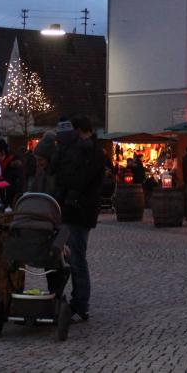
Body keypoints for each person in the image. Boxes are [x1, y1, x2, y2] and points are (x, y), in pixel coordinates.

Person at [51, 115, 104, 321]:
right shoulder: (84, 151)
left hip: (81, 211)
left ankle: (81, 303)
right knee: (69, 256)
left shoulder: (92, 152)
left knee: (77, 258)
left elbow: (80, 180)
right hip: (75, 210)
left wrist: (67, 189)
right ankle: (75, 300)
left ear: (80, 131)